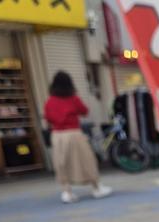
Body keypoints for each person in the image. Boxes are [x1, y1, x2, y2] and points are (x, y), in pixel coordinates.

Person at [44, 71, 112, 203]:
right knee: (86, 160)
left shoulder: (50, 101)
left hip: (57, 135)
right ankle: (96, 187)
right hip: (74, 133)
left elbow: (48, 118)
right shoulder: (73, 99)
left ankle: (67, 192)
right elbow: (84, 111)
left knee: (62, 163)